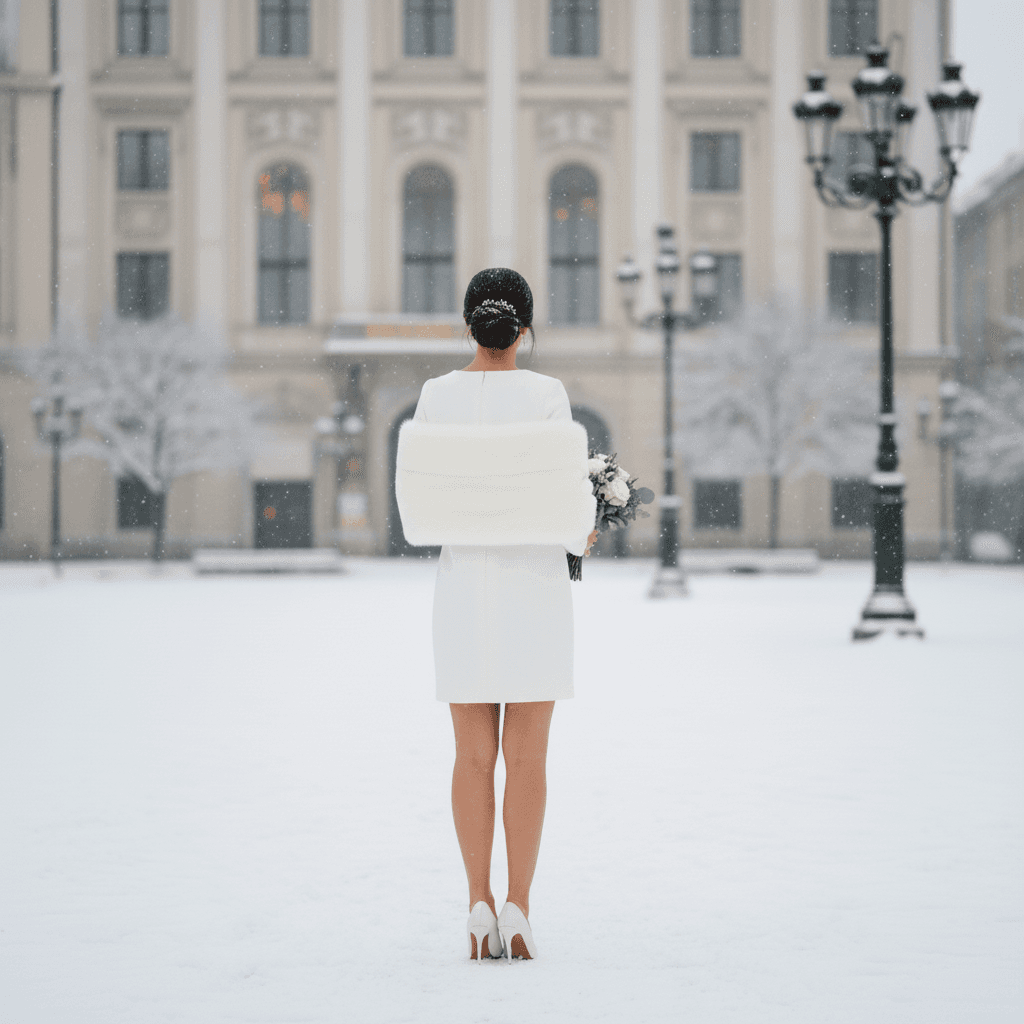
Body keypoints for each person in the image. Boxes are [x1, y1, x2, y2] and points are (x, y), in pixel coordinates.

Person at [402, 268, 597, 962]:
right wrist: (588, 526)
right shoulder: (547, 396)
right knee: (527, 759)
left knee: (472, 757)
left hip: (464, 589)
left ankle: (478, 905)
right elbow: (567, 508)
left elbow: (420, 501)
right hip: (534, 588)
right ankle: (519, 907)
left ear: (469, 325)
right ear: (526, 327)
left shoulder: (435, 396)